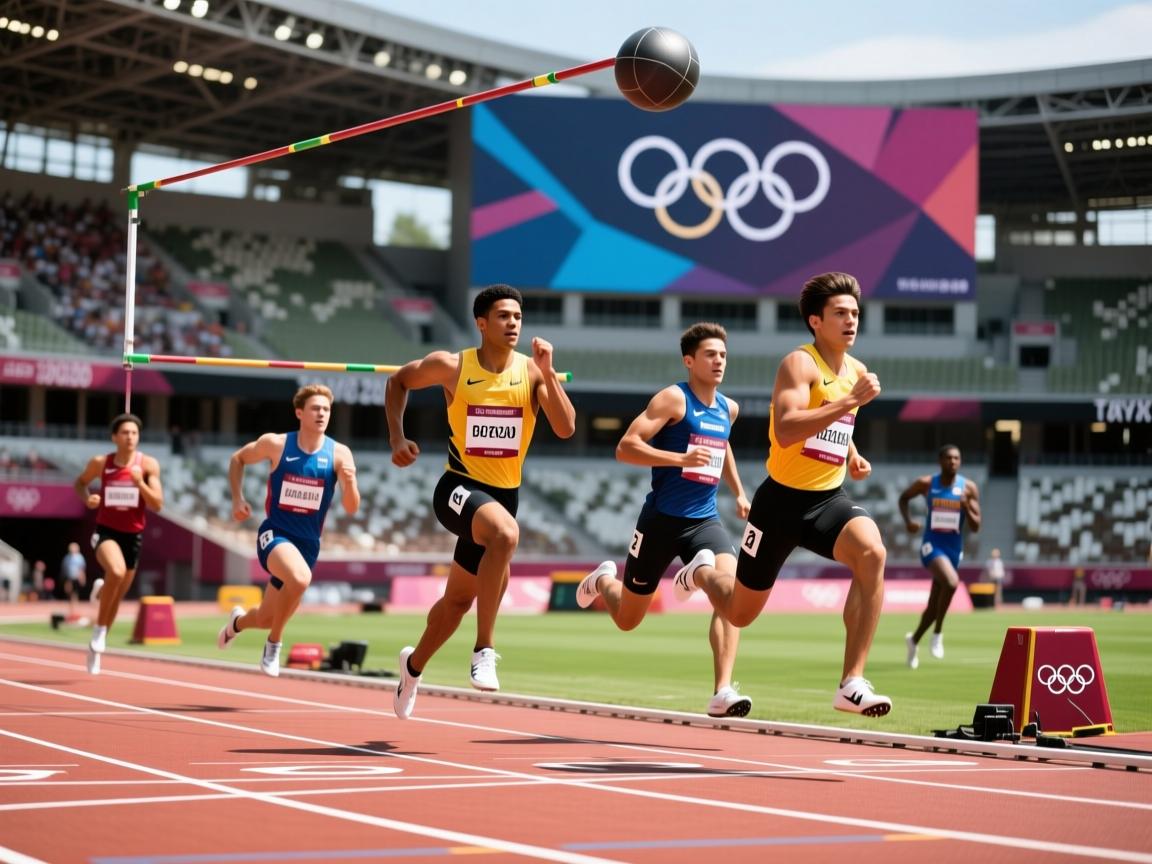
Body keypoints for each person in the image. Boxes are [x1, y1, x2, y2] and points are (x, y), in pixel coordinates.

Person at [674, 272, 891, 716]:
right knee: (739, 613)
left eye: (855, 313)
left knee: (873, 553)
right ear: (816, 321)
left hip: (828, 499)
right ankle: (701, 574)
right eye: (840, 313)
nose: (851, 321)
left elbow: (831, 422)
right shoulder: (799, 363)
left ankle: (851, 682)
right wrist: (851, 402)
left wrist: (851, 451)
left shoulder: (856, 371)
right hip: (779, 504)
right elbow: (789, 428)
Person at [386, 284, 575, 719]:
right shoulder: (452, 366)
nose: (513, 323)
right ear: (482, 323)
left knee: (455, 604)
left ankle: (412, 667)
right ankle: (485, 649)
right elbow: (398, 382)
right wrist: (397, 436)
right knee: (506, 534)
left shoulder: (530, 373)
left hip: (503, 497)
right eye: (504, 316)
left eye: (518, 317)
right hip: (457, 488)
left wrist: (548, 372)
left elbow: (565, 428)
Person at [575, 322, 753, 717]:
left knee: (734, 596)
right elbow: (626, 447)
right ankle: (603, 580)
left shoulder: (729, 408)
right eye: (710, 354)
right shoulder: (674, 399)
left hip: (704, 521)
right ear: (689, 361)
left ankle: (723, 690)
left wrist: (738, 491)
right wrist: (679, 459)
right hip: (661, 521)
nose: (719, 361)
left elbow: (722, 445)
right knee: (627, 620)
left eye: (723, 354)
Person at [217, 383, 360, 676]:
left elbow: (351, 507)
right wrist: (237, 498)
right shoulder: (277, 444)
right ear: (299, 413)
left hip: (308, 544)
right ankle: (274, 644)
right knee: (300, 578)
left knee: (267, 616)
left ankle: (237, 623)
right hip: (275, 534)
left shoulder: (340, 454)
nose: (322, 414)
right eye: (315, 409)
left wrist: (352, 481)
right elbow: (238, 459)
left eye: (326, 409)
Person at [73, 413, 164, 675]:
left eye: (134, 433)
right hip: (106, 533)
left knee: (115, 598)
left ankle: (95, 647)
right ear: (115, 437)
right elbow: (79, 483)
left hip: (133, 537)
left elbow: (157, 503)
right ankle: (100, 632)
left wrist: (139, 484)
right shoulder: (101, 463)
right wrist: (87, 498)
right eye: (125, 432)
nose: (130, 437)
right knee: (116, 571)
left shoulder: (147, 465)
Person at [899, 445, 982, 669]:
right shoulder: (927, 483)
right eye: (948, 458)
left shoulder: (969, 488)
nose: (953, 462)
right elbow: (904, 498)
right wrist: (908, 522)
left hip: (954, 549)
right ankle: (937, 633)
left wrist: (967, 506)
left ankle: (914, 640)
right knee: (952, 582)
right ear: (940, 460)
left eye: (957, 458)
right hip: (931, 546)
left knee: (933, 606)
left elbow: (976, 526)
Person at [59, 541, 88, 617]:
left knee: (75, 593)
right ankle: (71, 610)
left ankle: (75, 610)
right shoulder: (67, 558)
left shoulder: (80, 557)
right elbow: (65, 569)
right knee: (69, 593)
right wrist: (65, 581)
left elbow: (82, 569)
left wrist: (82, 578)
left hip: (76, 578)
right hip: (69, 578)